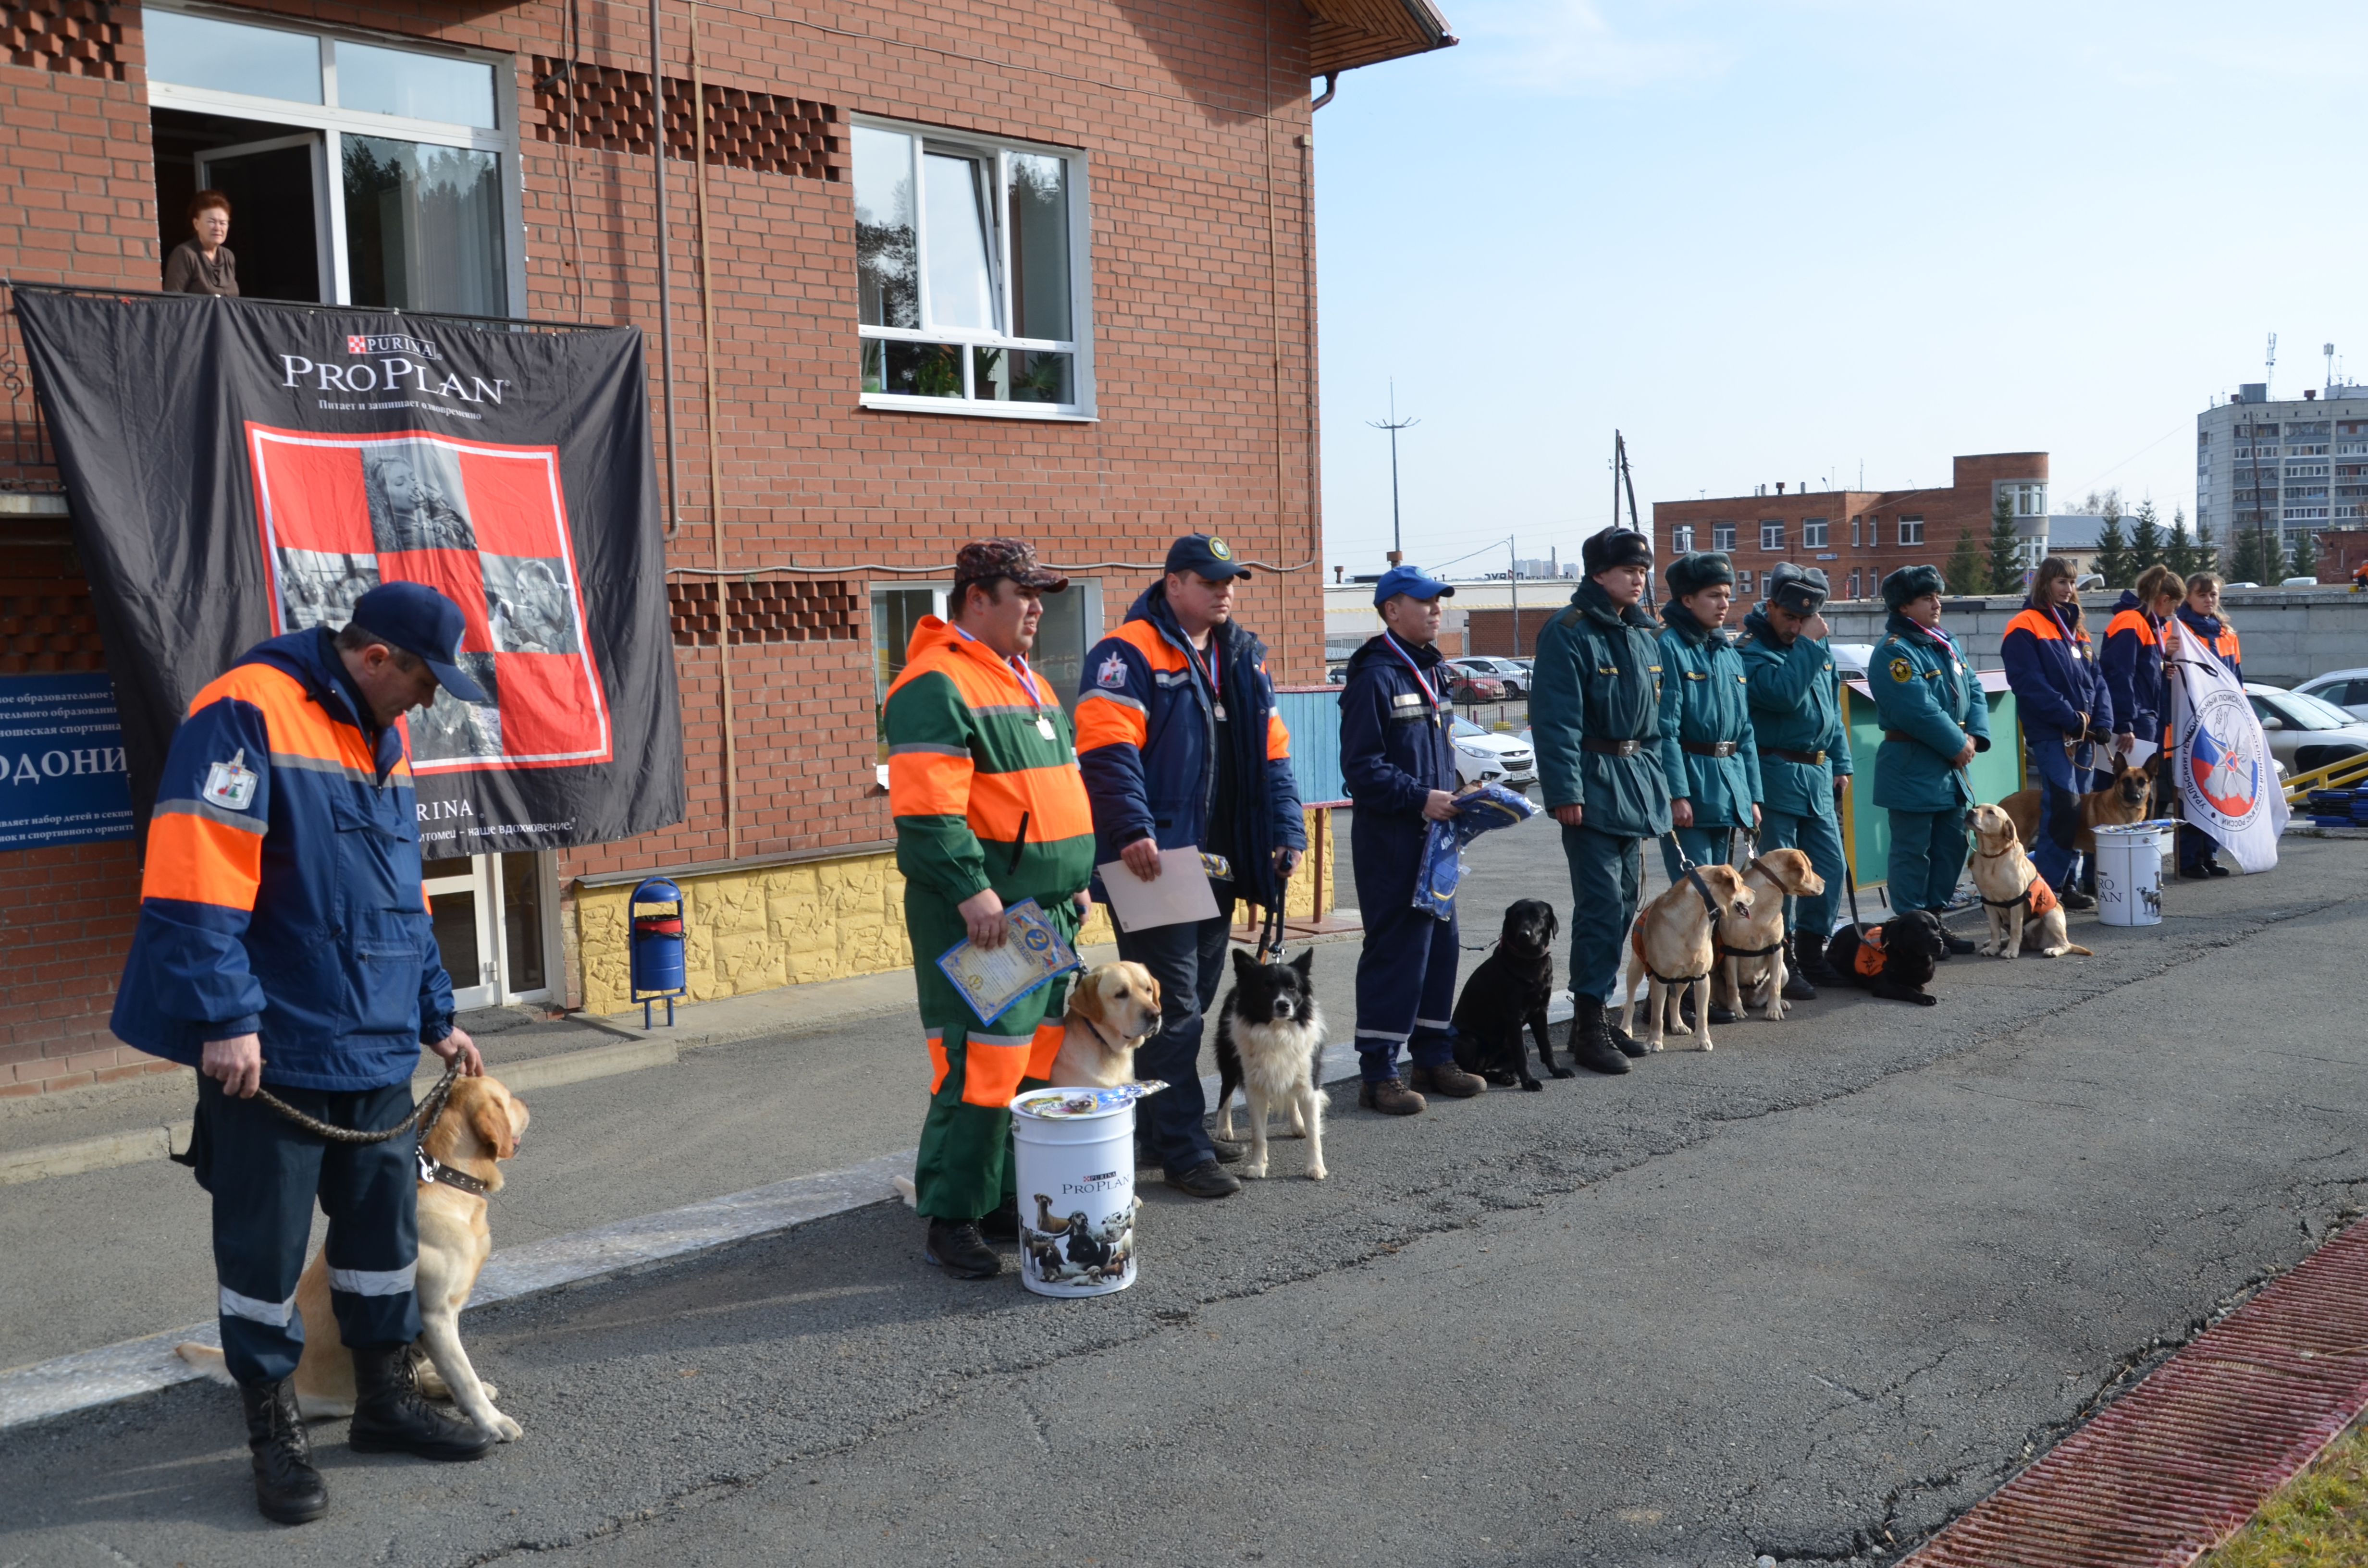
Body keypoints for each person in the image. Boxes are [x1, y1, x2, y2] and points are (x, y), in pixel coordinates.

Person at [110, 581, 495, 1525]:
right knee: (265, 1258)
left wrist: (435, 1011)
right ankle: (273, 1434)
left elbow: (398, 893)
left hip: (368, 1047)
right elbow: (195, 872)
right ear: (375, 659)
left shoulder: (383, 736)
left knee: (378, 1247)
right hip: (273, 1046)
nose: (429, 701)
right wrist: (223, 1016)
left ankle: (385, 1401)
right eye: (423, 679)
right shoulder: (246, 709)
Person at [884, 539, 1096, 1277]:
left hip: (1042, 912)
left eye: (1044, 594)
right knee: (980, 1067)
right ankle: (951, 1217)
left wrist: (1073, 880)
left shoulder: (1024, 679)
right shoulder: (935, 682)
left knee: (1030, 1063)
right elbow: (928, 814)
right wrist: (975, 892)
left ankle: (1003, 1196)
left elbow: (1049, 792)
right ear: (977, 597)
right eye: (1025, 592)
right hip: (989, 918)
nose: (1039, 606)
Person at [1075, 534, 1306, 1195]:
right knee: (1173, 1009)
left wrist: (1287, 828)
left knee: (1193, 1002)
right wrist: (1132, 829)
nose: (1224, 590)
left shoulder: (1241, 657)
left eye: (1229, 580)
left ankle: (1158, 1127)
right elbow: (1107, 750)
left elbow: (1274, 754)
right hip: (1157, 860)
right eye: (1209, 580)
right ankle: (1181, 1149)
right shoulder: (1127, 652)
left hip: (1220, 860)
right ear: (1174, 585)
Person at [1336, 564, 1490, 1114]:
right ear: (1390, 610)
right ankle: (1378, 1074)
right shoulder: (1375, 676)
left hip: (1437, 841)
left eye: (1438, 601)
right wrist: (1418, 796)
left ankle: (1431, 1056)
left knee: (1440, 949)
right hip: (1393, 840)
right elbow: (1360, 768)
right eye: (1423, 601)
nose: (1435, 610)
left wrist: (1460, 790)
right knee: (1396, 953)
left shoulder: (1433, 672)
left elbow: (1437, 755)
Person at [1530, 526, 1669, 1073]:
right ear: (1597, 575)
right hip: (1590, 784)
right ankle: (1586, 1026)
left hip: (1634, 782)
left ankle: (1601, 1010)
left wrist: (1660, 787)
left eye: (1642, 570)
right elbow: (1554, 720)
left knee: (1624, 902)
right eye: (1627, 570)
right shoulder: (1568, 632)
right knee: (1598, 904)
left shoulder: (1641, 634)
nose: (1639, 579)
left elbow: (1654, 727)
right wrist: (1565, 792)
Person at [1653, 551, 1763, 1018]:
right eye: (1713, 596)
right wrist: (1676, 793)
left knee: (1719, 902)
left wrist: (1753, 794)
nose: (1724, 604)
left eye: (1726, 595)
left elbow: (1745, 733)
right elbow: (1665, 728)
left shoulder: (1725, 651)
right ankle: (1667, 1001)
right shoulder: (1669, 648)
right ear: (1686, 599)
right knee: (1692, 901)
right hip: (1692, 790)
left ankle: (1711, 992)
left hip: (1728, 787)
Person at [1737, 562, 1852, 993]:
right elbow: (1783, 697)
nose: (1796, 625)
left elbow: (1831, 713)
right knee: (1777, 877)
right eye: (1789, 617)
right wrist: (1807, 644)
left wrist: (1841, 764)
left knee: (1829, 868)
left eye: (1806, 618)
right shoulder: (1751, 650)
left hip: (1818, 775)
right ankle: (1779, 960)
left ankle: (1810, 952)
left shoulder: (1814, 648)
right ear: (1771, 607)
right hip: (1776, 776)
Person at [1866, 564, 1986, 953]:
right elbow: (1916, 709)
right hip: (1912, 765)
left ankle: (1935, 924)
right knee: (1912, 851)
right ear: (1904, 607)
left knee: (1951, 846)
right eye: (1927, 598)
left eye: (1938, 596)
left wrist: (1974, 735)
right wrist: (1956, 743)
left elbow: (1974, 687)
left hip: (1949, 769)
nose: (1937, 603)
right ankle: (1912, 930)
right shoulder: (1894, 652)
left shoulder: (1944, 642)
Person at [1998, 556, 2113, 908]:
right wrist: (2069, 717)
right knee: (2062, 809)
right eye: (2062, 582)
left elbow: (2098, 680)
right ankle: (2042, 891)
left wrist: (2103, 720)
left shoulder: (2078, 629)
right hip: (2052, 734)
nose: (2069, 589)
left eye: (2073, 583)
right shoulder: (2024, 624)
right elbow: (2028, 683)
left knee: (2076, 812)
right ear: (2044, 584)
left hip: (2082, 735)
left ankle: (2066, 885)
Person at [2173, 571, 2242, 879]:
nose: (2209, 600)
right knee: (2194, 792)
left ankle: (2210, 854)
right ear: (2188, 597)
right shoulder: (2179, 630)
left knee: (2219, 791)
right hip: (2192, 724)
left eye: (2213, 594)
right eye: (2202, 594)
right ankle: (2189, 859)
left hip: (2224, 725)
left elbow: (2236, 679)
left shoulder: (2227, 634)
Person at [2102, 563, 2183, 796]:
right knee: (2122, 794)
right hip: (2134, 719)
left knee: (2136, 795)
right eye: (2174, 606)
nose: (2173, 613)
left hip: (2141, 716)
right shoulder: (2132, 621)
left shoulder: (2144, 623)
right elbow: (2119, 673)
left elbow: (2135, 668)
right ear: (2164, 599)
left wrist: (2159, 669)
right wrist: (2125, 723)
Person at [163, 189, 239, 296]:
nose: (218, 228)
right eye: (211, 222)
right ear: (196, 224)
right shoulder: (185, 254)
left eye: (223, 223)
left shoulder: (228, 257)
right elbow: (172, 302)